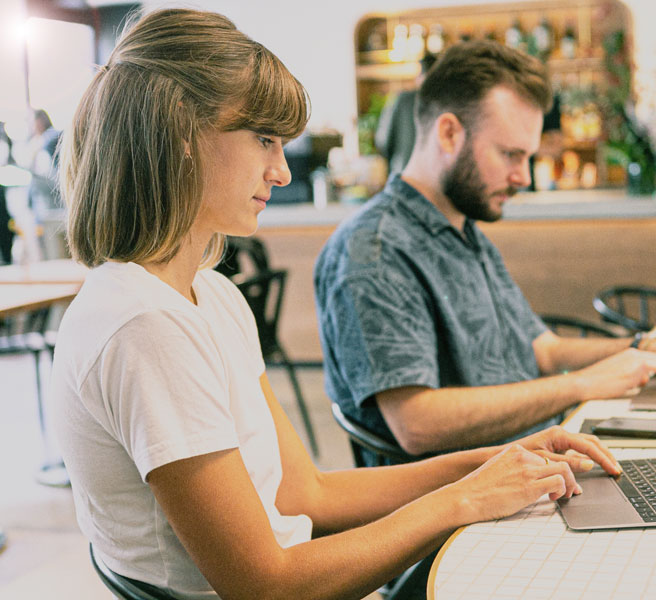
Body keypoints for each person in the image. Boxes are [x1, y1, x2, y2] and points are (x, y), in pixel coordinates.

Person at [49, 9, 622, 600]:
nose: (279, 170)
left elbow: (309, 496)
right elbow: (264, 585)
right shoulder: (146, 325)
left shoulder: (209, 295)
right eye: (264, 140)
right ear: (180, 134)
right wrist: (466, 498)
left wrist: (496, 460)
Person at [314, 40, 656, 466]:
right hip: (461, 501)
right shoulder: (374, 250)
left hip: (533, 458)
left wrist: (643, 348)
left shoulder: (463, 228)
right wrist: (580, 385)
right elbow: (417, 424)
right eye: (510, 154)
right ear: (448, 132)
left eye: (528, 157)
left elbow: (542, 350)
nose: (523, 177)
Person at [374, 53, 437, 175]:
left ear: (419, 77)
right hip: (435, 180)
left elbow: (383, 140)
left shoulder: (402, 100)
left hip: (403, 174)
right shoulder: (445, 102)